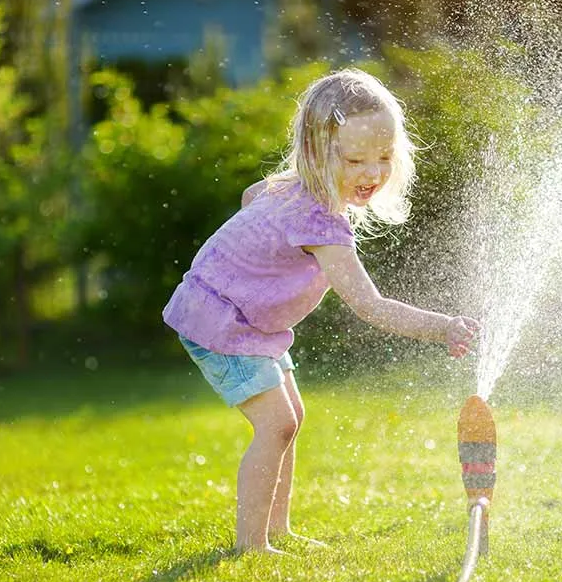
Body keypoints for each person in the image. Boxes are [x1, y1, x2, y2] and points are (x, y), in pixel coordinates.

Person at [162, 68, 479, 555]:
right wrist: (444, 328)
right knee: (277, 424)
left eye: (384, 158)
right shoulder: (318, 221)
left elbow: (251, 197)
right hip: (220, 321)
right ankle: (252, 546)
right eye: (355, 159)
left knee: (292, 418)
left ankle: (278, 531)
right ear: (316, 152)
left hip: (250, 323)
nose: (372, 173)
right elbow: (370, 305)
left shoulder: (291, 189)